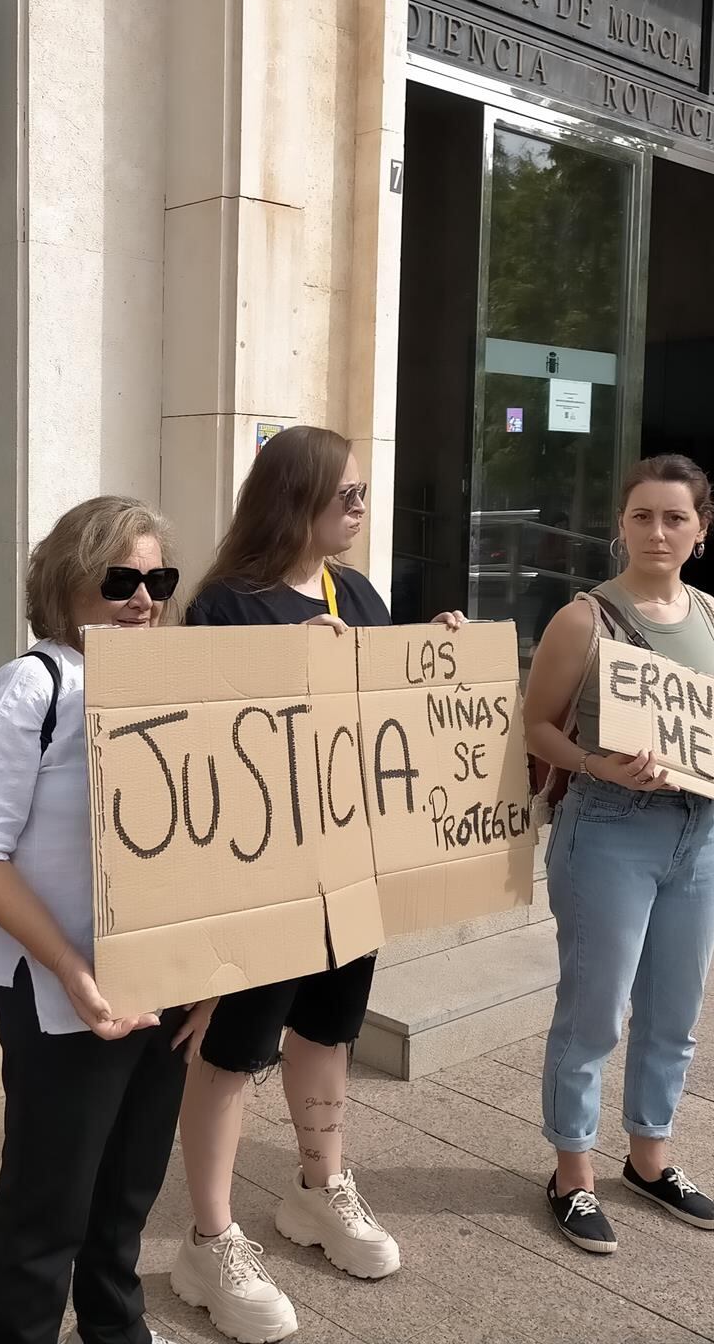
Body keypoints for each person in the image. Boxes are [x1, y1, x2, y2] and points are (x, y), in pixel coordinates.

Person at [168, 426, 464, 1343]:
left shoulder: (362, 595)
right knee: (233, 1050)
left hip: (349, 873)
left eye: (365, 493)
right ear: (294, 499)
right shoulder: (224, 606)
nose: (363, 509)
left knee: (328, 1028)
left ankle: (318, 1183)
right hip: (265, 884)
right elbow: (199, 755)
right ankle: (209, 1236)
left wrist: (432, 661)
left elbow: (384, 727)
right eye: (349, 496)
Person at [521, 454, 714, 1255]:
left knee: (675, 1012)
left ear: (701, 532)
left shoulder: (707, 611)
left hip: (697, 831)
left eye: (675, 518)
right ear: (621, 526)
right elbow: (534, 728)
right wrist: (596, 764)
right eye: (643, 516)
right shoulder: (584, 619)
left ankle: (650, 1158)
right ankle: (571, 1174)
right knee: (595, 1012)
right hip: (608, 829)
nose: (658, 531)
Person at [0, 496, 189, 1344]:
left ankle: (115, 1330)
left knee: (128, 1195)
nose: (143, 597)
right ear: (67, 582)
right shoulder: (31, 686)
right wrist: (73, 973)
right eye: (120, 578)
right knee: (49, 1204)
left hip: (162, 986)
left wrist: (216, 972)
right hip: (60, 994)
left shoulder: (173, 682)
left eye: (158, 578)